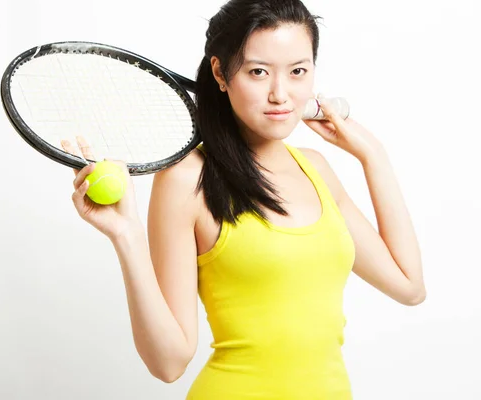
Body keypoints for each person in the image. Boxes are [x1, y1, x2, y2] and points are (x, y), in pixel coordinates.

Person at [61, 0, 426, 398]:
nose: (280, 94)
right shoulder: (186, 179)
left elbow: (409, 288)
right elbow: (168, 364)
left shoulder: (316, 169)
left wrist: (373, 155)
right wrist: (126, 236)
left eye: (298, 71)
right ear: (220, 72)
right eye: (258, 72)